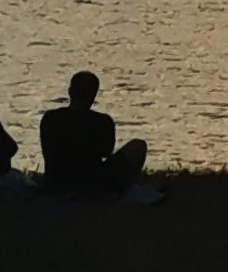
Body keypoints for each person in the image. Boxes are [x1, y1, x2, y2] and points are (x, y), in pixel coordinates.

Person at [38, 69, 149, 200]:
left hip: (56, 182)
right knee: (138, 146)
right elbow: (106, 151)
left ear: (70, 92)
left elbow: (49, 152)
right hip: (93, 181)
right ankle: (122, 191)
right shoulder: (102, 121)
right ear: (94, 95)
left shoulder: (50, 118)